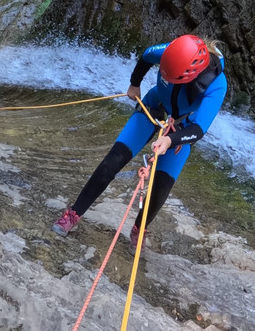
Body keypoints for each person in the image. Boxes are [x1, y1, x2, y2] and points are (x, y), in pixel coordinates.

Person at [52, 34, 227, 249]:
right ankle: (74, 213)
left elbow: (199, 129)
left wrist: (171, 140)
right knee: (114, 159)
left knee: (161, 185)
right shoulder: (169, 52)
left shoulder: (217, 84)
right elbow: (145, 57)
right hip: (154, 106)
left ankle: (139, 228)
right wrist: (135, 84)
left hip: (184, 127)